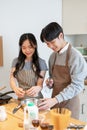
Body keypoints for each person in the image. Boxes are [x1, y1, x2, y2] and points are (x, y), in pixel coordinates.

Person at [39, 22, 87, 119]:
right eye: (47, 44)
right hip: (55, 103)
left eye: (52, 42)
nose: (51, 47)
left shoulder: (75, 56)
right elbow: (52, 78)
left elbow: (77, 85)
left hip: (70, 104)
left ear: (61, 35)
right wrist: (50, 83)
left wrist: (55, 99)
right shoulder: (52, 57)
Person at [10, 33, 48, 100]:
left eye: (30, 47)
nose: (27, 50)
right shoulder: (16, 61)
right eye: (24, 48)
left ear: (35, 45)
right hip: (21, 99)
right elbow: (12, 79)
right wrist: (15, 88)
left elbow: (40, 84)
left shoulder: (41, 62)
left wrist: (38, 88)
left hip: (36, 99)